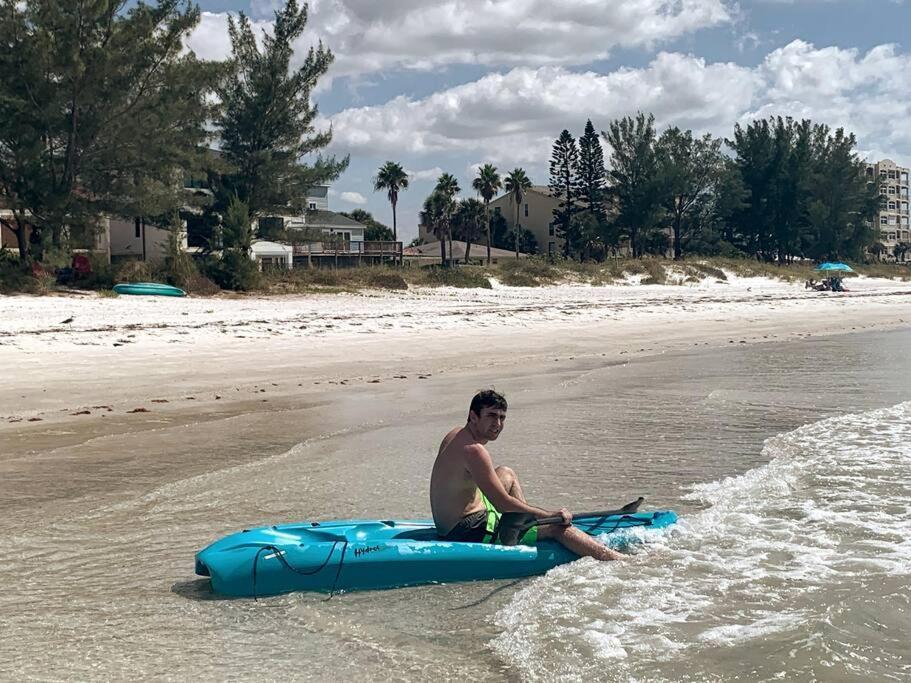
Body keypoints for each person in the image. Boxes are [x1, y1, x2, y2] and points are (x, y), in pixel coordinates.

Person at [430, 389, 625, 561]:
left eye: (502, 417)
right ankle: (618, 560)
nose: (497, 423)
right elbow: (502, 504)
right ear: (473, 416)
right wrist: (550, 515)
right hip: (466, 530)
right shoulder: (474, 451)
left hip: (449, 523)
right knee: (558, 528)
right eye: (491, 416)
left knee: (506, 473)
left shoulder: (455, 434)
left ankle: (525, 526)